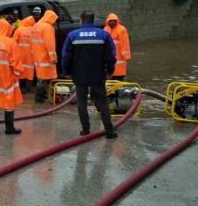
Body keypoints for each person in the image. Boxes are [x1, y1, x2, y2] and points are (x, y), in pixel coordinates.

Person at [62, 11, 117, 139]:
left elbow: (66, 57)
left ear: (81, 20)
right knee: (103, 102)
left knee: (82, 102)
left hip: (79, 75)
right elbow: (111, 56)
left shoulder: (73, 35)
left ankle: (85, 130)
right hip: (98, 75)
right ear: (93, 20)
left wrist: (68, 72)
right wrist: (110, 71)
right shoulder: (103, 34)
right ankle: (109, 131)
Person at [31, 8, 59, 103]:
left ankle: (40, 98)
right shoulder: (48, 27)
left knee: (40, 77)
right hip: (45, 57)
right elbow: (49, 44)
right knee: (45, 79)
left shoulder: (36, 25)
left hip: (37, 56)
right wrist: (53, 58)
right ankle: (41, 97)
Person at [12, 13, 36, 93]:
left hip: (19, 54)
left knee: (19, 71)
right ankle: (28, 89)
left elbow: (14, 42)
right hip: (31, 55)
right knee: (29, 72)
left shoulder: (19, 29)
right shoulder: (34, 30)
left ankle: (19, 89)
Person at [103, 13, 132, 80]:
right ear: (108, 21)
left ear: (117, 21)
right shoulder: (105, 29)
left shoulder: (121, 29)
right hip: (110, 55)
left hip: (119, 56)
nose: (112, 22)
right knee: (110, 73)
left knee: (119, 74)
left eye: (114, 20)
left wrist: (126, 55)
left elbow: (125, 43)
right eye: (110, 21)